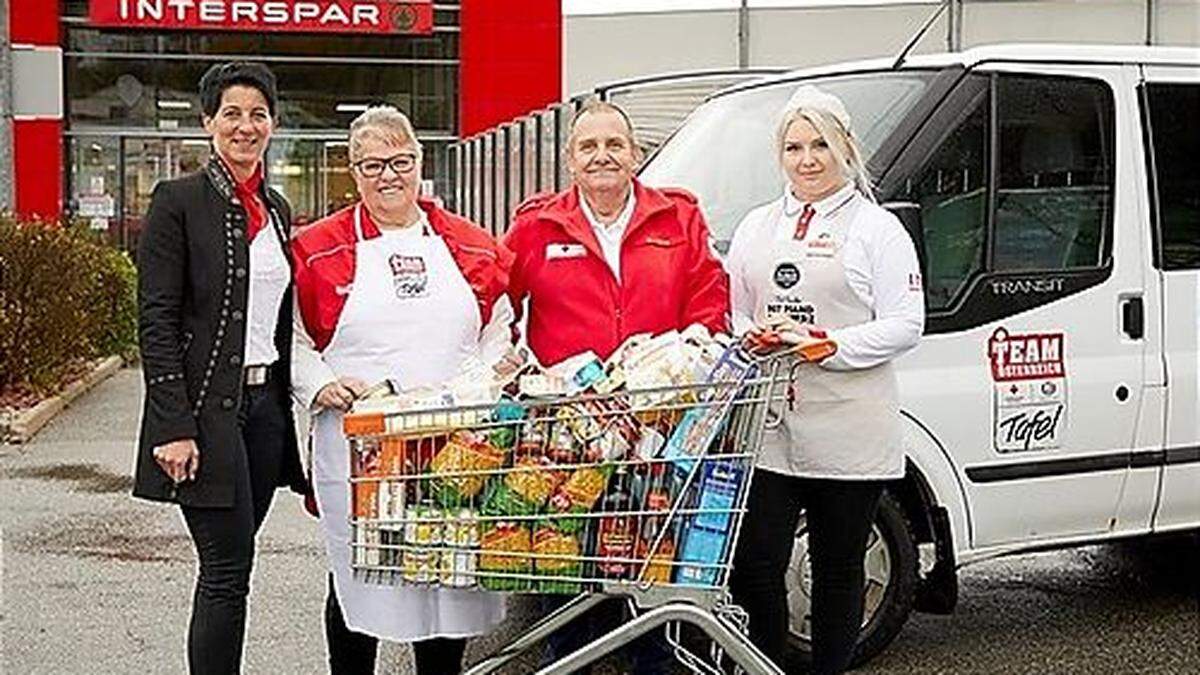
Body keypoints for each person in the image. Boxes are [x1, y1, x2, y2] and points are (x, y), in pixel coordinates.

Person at [503, 99, 730, 673]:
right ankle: (575, 657)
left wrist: (686, 363)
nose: (602, 156)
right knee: (571, 555)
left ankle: (655, 657)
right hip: (569, 430)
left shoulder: (677, 218)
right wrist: (508, 365)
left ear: (636, 155)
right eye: (588, 147)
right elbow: (498, 301)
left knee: (655, 553)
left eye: (614, 145)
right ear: (569, 160)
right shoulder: (537, 225)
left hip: (659, 422)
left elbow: (710, 301)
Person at [291, 105, 513, 675]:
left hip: (456, 441)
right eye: (372, 165)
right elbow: (289, 338)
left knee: (447, 569)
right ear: (352, 170)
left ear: (420, 162)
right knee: (359, 574)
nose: (388, 176)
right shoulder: (316, 249)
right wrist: (322, 384)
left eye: (400, 161)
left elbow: (498, 330)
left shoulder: (472, 245)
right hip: (358, 444)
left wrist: (485, 381)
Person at [725, 86, 925, 674]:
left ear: (845, 148)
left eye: (819, 145)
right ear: (779, 155)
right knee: (755, 563)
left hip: (849, 427)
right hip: (771, 429)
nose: (807, 159)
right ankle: (763, 664)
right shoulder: (756, 226)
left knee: (837, 568)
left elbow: (905, 323)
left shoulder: (878, 229)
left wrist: (831, 345)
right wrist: (752, 335)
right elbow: (736, 309)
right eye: (793, 147)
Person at [132, 61, 306, 674]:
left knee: (237, 561)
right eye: (231, 113)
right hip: (206, 417)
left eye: (258, 114)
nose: (245, 125)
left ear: (274, 124)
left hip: (264, 416)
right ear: (208, 122)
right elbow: (156, 321)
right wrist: (173, 426)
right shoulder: (177, 201)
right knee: (227, 571)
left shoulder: (278, 207)